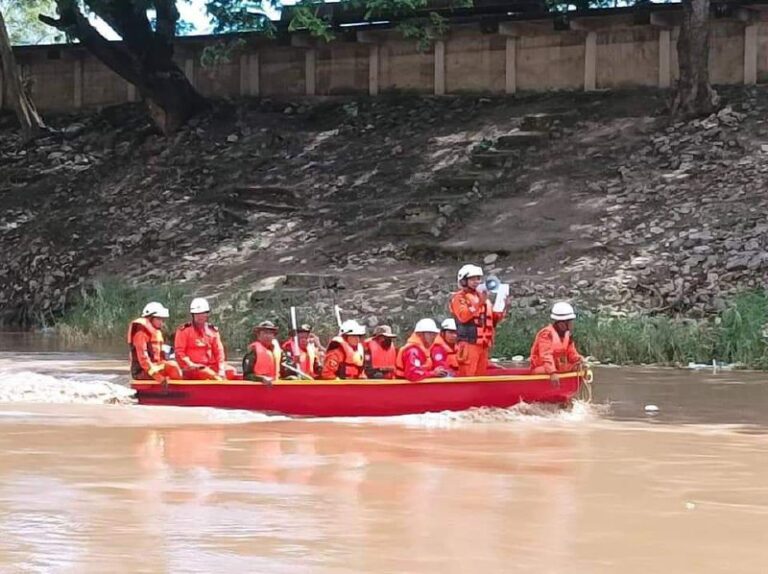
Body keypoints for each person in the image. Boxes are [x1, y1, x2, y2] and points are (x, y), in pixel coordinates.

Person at [449, 264, 506, 377]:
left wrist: (504, 306)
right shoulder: (459, 298)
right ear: (464, 280)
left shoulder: (483, 298)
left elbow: (493, 320)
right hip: (468, 345)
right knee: (468, 376)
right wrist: (480, 302)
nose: (476, 281)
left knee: (481, 377)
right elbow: (463, 316)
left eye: (478, 278)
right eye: (472, 279)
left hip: (483, 345)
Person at [174, 297, 237, 380]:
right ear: (192, 315)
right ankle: (219, 386)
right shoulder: (184, 331)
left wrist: (221, 368)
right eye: (197, 314)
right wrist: (190, 364)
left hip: (210, 366)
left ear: (207, 314)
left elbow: (219, 351)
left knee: (231, 371)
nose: (200, 316)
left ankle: (223, 385)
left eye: (202, 313)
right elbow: (179, 352)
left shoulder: (213, 331)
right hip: (192, 368)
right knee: (209, 374)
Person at [529, 302, 584, 386]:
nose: (571, 325)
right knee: (546, 370)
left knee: (577, 367)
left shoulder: (567, 336)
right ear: (561, 323)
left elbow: (571, 353)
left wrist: (579, 360)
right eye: (569, 322)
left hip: (558, 367)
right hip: (542, 369)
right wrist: (552, 372)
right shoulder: (546, 334)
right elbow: (546, 355)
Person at [128, 302, 182, 381]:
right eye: (158, 319)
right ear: (150, 318)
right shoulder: (141, 334)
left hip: (154, 367)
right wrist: (158, 377)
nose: (161, 322)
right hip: (142, 372)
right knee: (172, 366)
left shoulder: (156, 333)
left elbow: (159, 357)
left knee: (179, 365)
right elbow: (143, 360)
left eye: (162, 319)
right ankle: (180, 389)